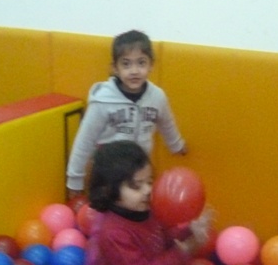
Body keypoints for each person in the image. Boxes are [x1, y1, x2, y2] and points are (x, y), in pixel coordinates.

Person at [85, 140, 211, 265]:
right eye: (136, 186)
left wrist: (189, 230)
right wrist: (183, 251)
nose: (147, 191)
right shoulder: (113, 233)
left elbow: (162, 238)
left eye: (150, 182)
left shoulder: (148, 212)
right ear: (109, 190)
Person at [65, 30, 187, 200]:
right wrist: (75, 180)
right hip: (108, 171)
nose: (134, 71)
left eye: (141, 63)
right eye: (126, 64)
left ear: (151, 65)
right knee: (107, 209)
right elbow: (85, 140)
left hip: (139, 171)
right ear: (115, 68)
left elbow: (166, 123)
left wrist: (176, 145)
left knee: (139, 205)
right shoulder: (103, 101)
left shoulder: (157, 97)